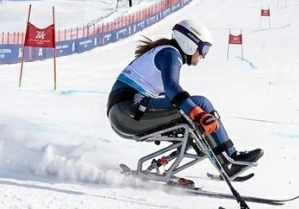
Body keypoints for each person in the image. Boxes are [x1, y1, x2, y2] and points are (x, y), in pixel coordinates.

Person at [106, 19, 263, 178]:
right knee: (201, 104)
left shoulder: (166, 52)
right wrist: (199, 114)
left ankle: (224, 161)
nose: (203, 56)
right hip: (127, 111)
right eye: (204, 49)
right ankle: (230, 159)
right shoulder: (170, 53)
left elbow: (169, 95)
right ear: (190, 43)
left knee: (188, 116)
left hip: (125, 112)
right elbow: (172, 88)